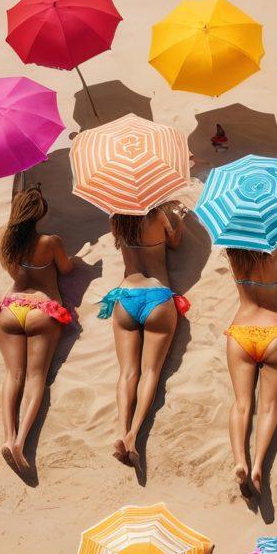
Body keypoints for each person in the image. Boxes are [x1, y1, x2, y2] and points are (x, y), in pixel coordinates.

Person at [0, 186, 75, 470]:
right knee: (36, 377)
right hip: (41, 308)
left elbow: (11, 271)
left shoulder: (2, 236)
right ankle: (21, 441)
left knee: (13, 374)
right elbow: (66, 269)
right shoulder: (49, 242)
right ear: (39, 214)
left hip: (11, 308)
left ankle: (7, 437)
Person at [98, 201, 189, 468]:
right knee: (150, 372)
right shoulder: (157, 216)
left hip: (126, 295)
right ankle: (134, 434)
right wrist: (179, 219)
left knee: (127, 372)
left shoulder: (117, 218)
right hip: (157, 295)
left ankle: (121, 429)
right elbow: (175, 243)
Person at [223, 244, 277, 496]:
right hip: (274, 330)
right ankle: (258, 466)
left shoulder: (232, 253)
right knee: (269, 406)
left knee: (242, 403)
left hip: (241, 331)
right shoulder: (275, 251)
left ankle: (240, 460)